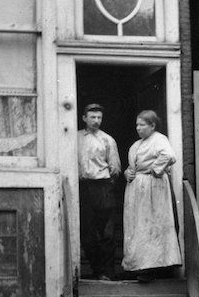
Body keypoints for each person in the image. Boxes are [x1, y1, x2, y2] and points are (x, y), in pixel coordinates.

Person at [122, 110, 182, 282]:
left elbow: (169, 155)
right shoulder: (136, 144)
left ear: (152, 126)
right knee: (137, 226)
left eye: (142, 125)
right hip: (137, 190)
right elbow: (132, 166)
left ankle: (150, 269)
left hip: (153, 188)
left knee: (151, 226)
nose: (138, 128)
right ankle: (137, 266)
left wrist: (155, 170)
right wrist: (128, 173)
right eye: (137, 125)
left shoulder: (159, 139)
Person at [77, 103, 121, 280]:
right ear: (84, 118)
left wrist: (107, 184)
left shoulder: (107, 140)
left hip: (103, 187)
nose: (96, 121)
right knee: (88, 233)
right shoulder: (75, 137)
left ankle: (108, 272)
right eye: (92, 117)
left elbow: (115, 168)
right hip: (83, 187)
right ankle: (96, 269)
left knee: (107, 233)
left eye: (99, 117)